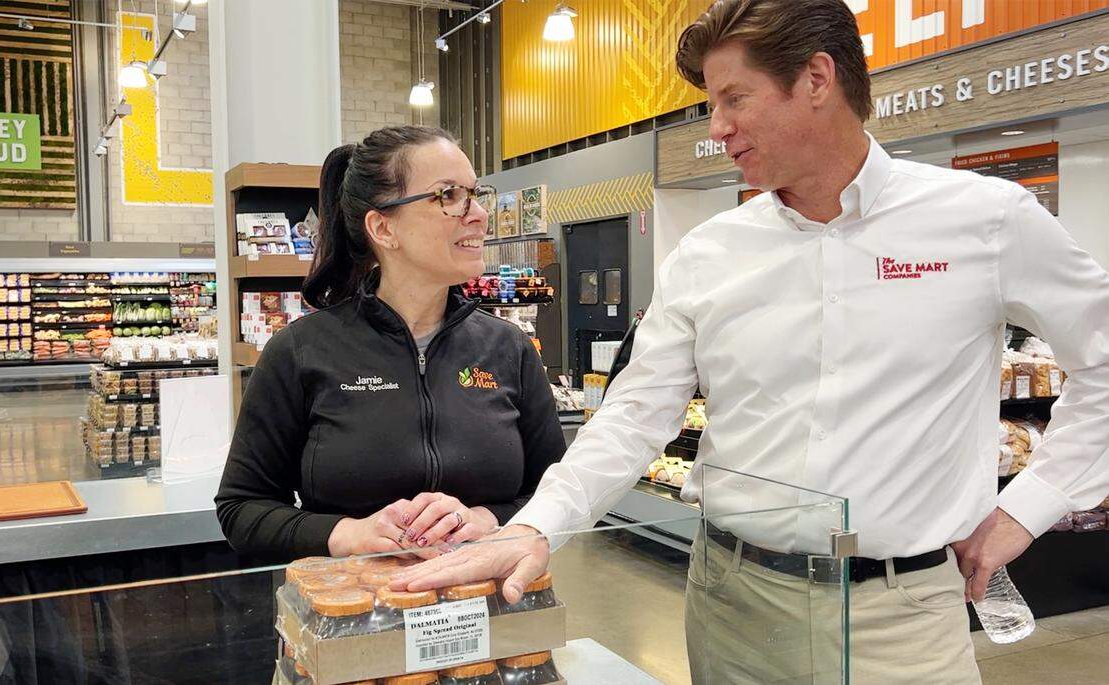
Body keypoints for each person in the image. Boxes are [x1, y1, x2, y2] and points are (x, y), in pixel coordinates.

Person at [391, 2, 1109, 682]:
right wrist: (540, 525)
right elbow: (636, 414)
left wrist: (1029, 507)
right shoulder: (710, 253)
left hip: (904, 616)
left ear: (817, 79)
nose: (717, 127)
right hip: (732, 603)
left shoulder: (984, 221)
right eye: (713, 104)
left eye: (735, 98)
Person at [215, 125, 566, 563]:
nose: (478, 214)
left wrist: (488, 518)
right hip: (354, 616)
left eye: (476, 194)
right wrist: (346, 534)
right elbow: (242, 509)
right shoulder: (299, 352)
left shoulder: (509, 348)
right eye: (449, 196)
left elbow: (555, 491)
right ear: (383, 228)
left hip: (491, 612)